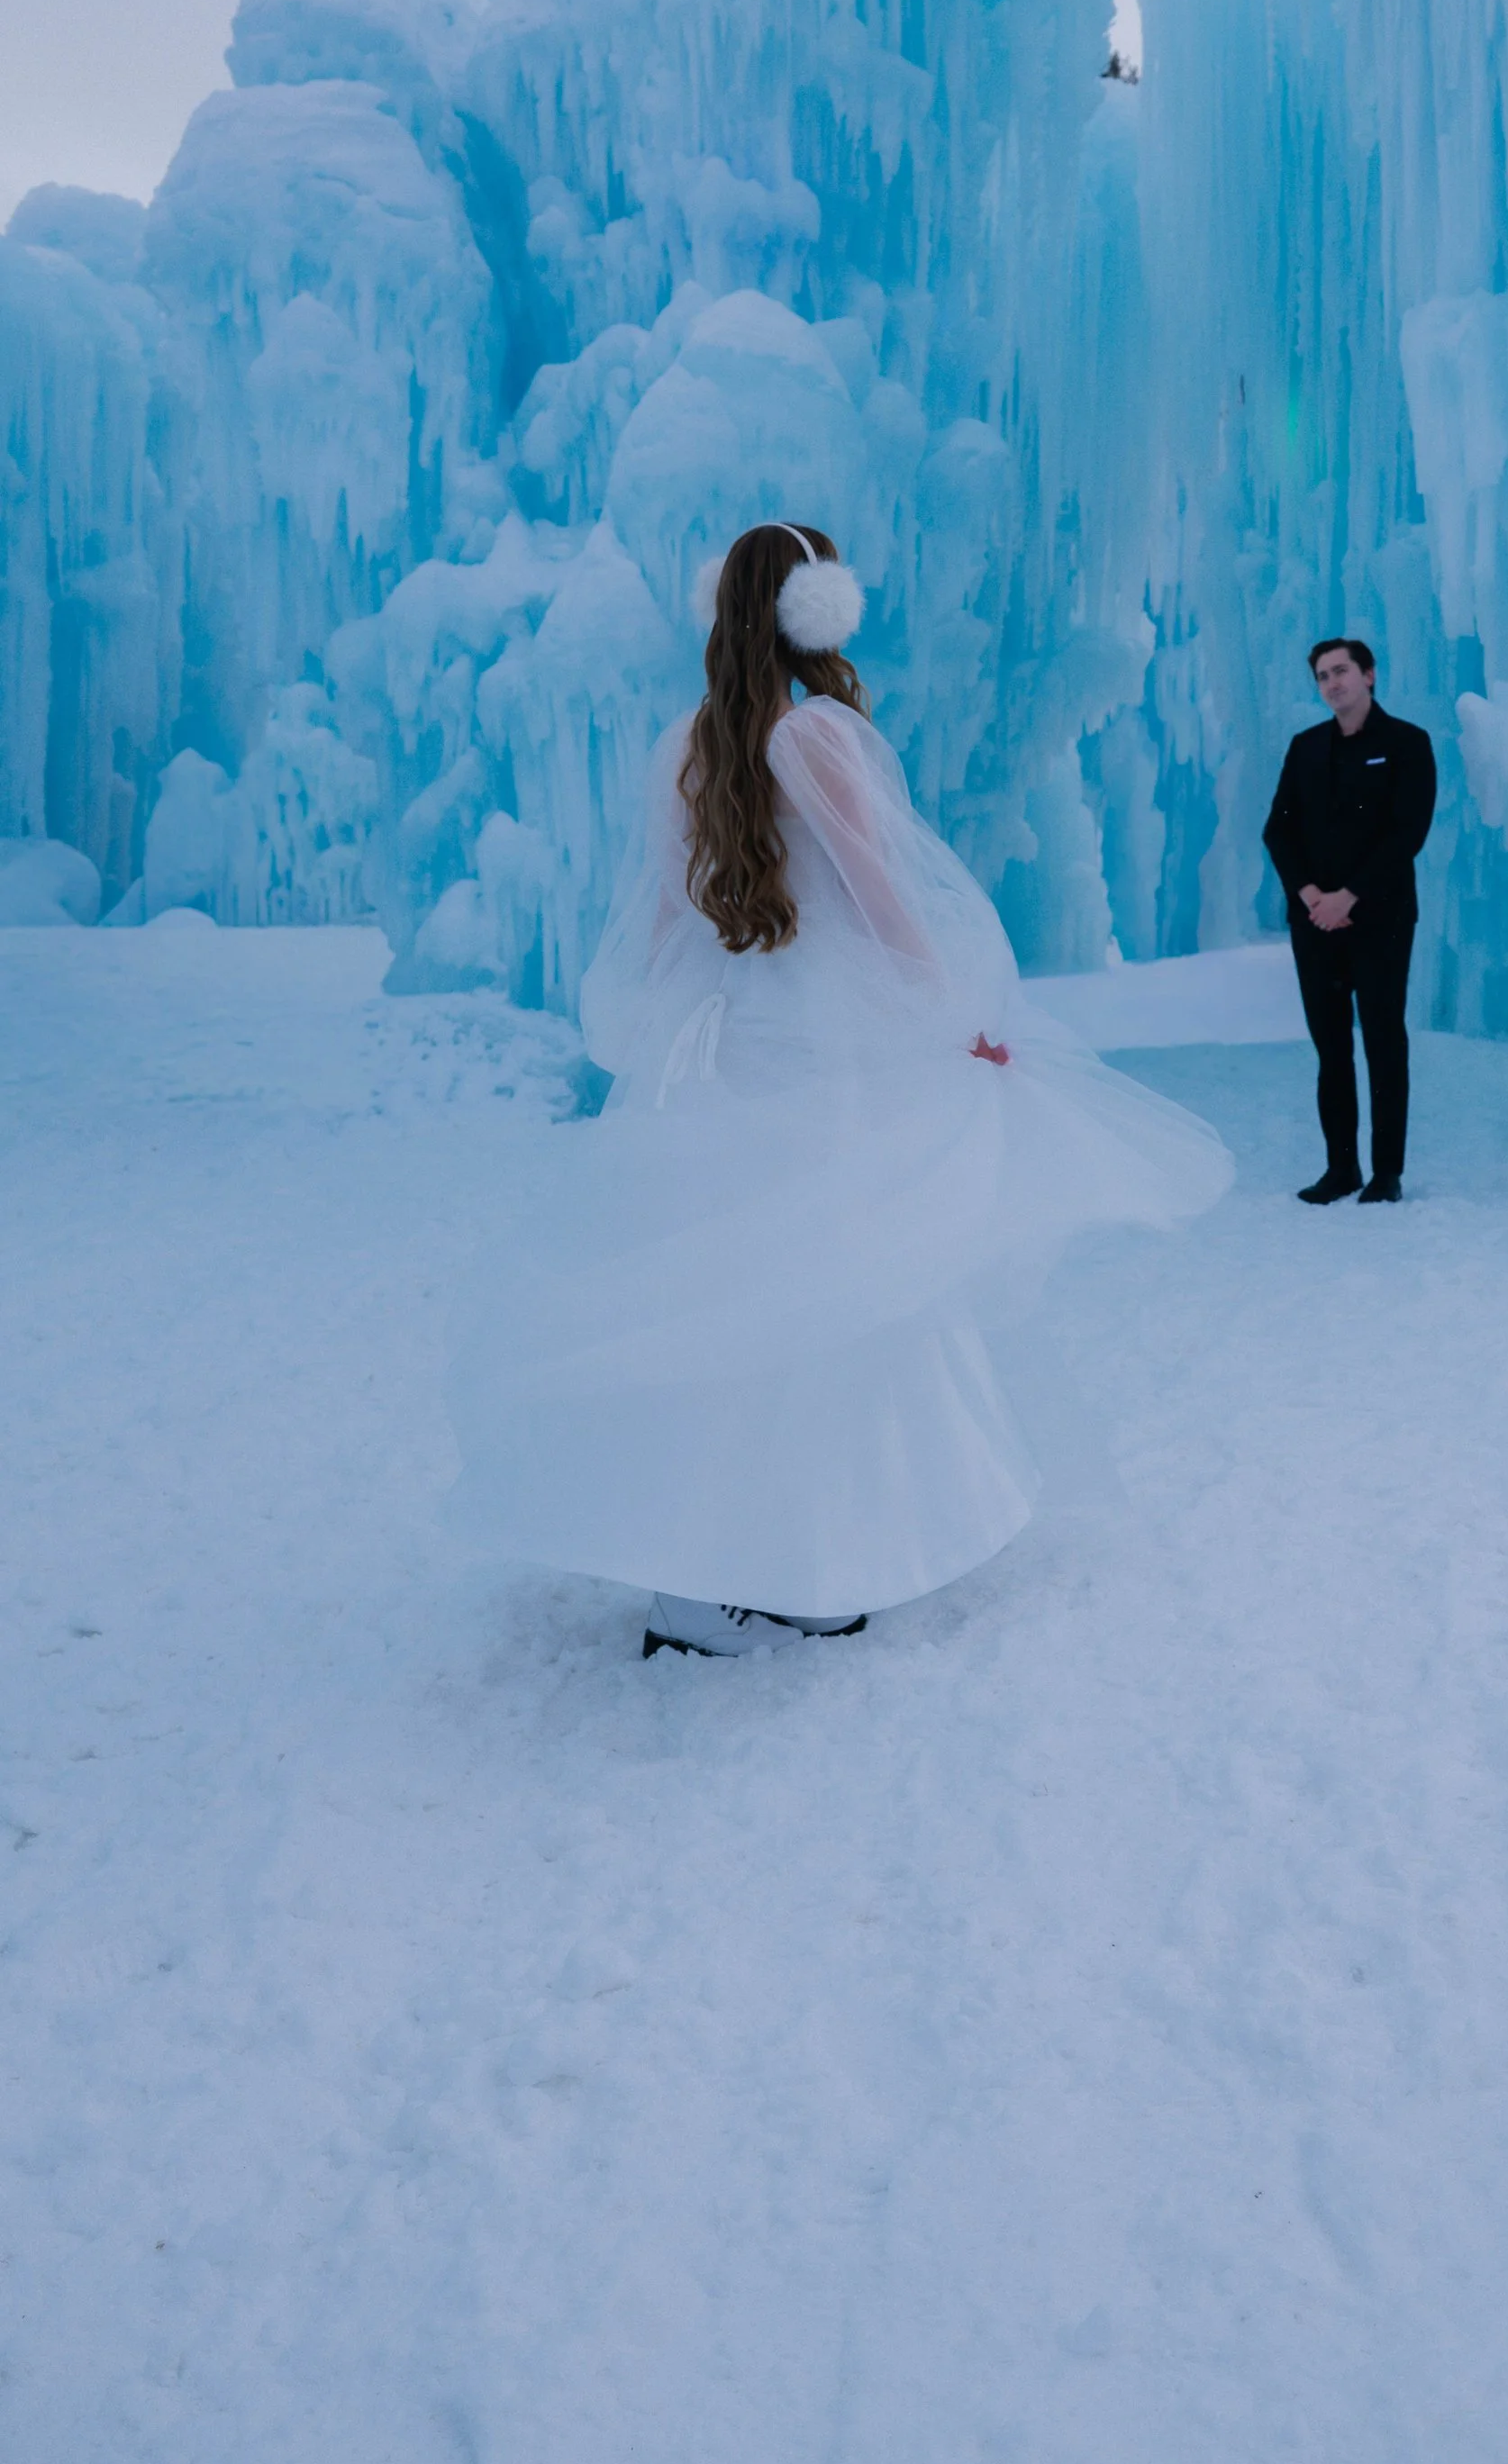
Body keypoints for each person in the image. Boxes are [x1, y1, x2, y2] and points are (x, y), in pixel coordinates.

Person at [447, 521, 1231, 1654]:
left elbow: (671, 922)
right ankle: (802, 1561)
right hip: (828, 1050)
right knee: (835, 1288)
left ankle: (704, 1573)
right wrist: (955, 1011)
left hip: (729, 1043)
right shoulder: (816, 735)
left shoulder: (688, 742)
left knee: (735, 1293)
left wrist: (675, 1030)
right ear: (815, 610)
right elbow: (881, 894)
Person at [1262, 637, 1437, 1206]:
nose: (1332, 683)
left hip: (1380, 918)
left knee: (1384, 1041)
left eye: (1341, 671)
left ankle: (1387, 1173)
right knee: (1330, 1046)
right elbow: (1278, 830)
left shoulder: (1408, 744)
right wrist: (1312, 894)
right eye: (1322, 676)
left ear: (1369, 676)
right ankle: (1341, 1169)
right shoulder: (1306, 747)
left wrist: (1351, 896)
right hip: (1314, 921)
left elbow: (1406, 833)